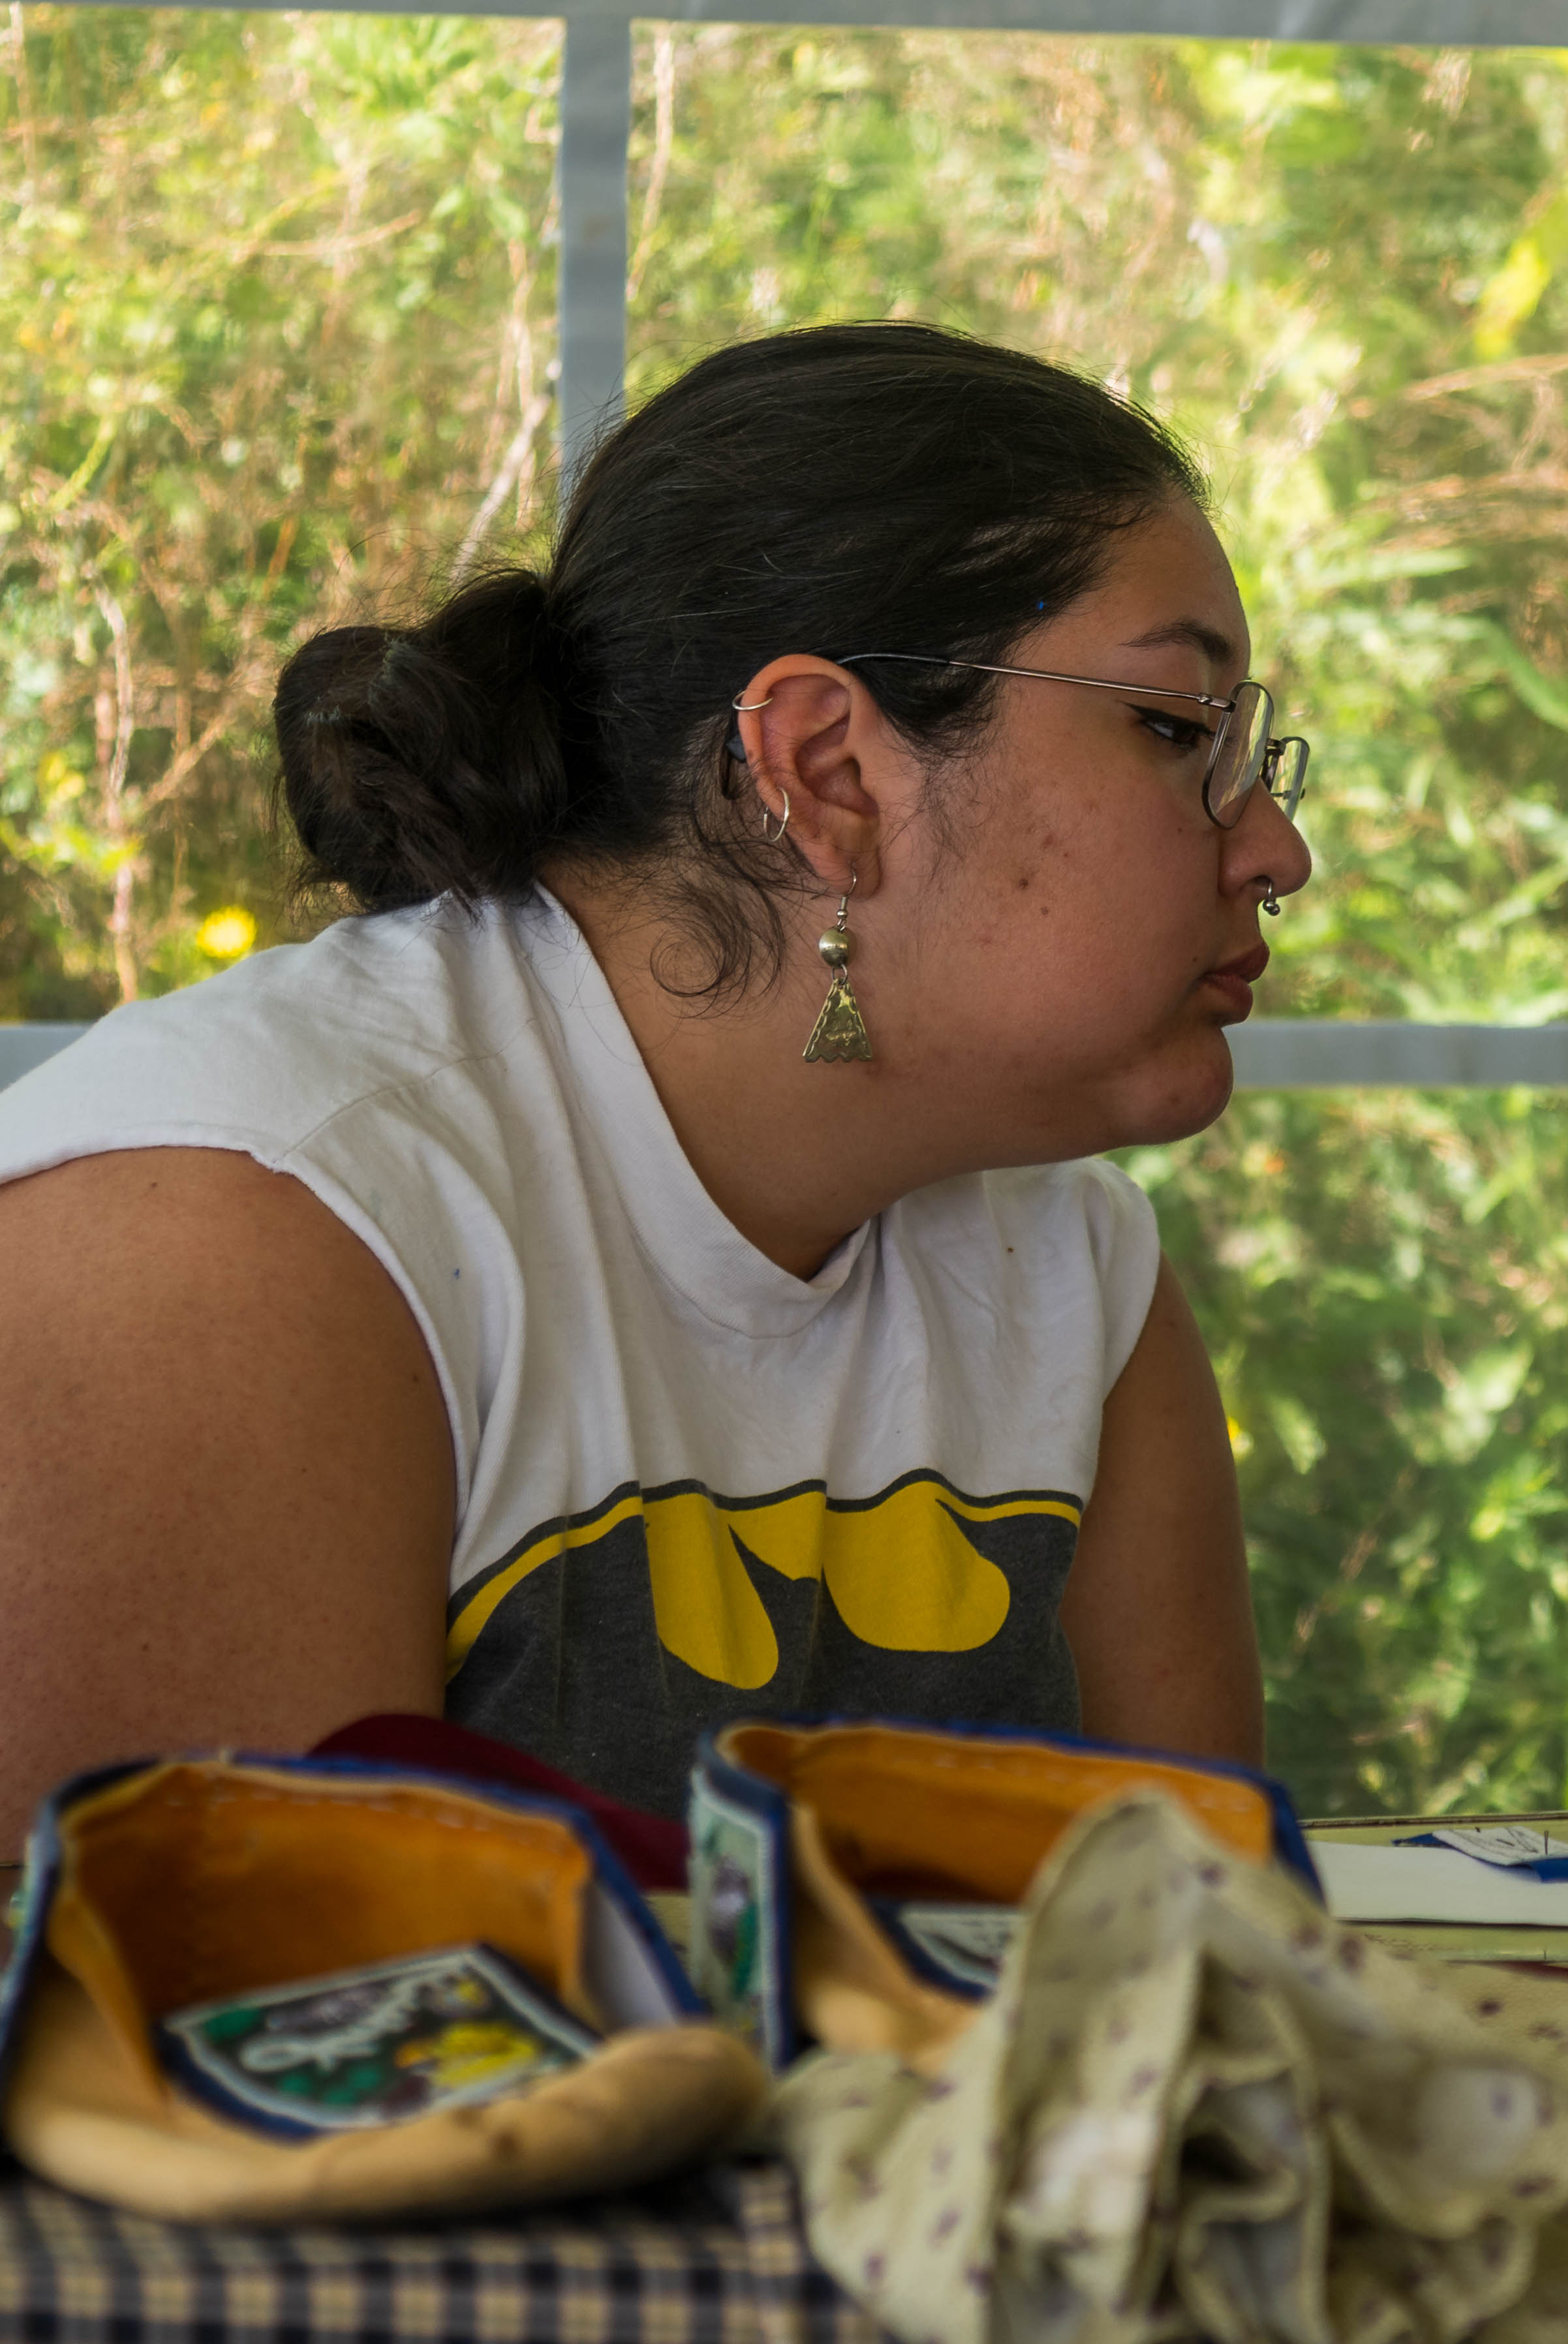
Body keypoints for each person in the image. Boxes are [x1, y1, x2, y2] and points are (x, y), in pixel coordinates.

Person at [0, 323, 1312, 1825]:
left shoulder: (1074, 1277)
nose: (1277, 850)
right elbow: (248, 1978)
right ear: (826, 772)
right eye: (1175, 728)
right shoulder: (232, 1233)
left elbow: (1201, 1944)